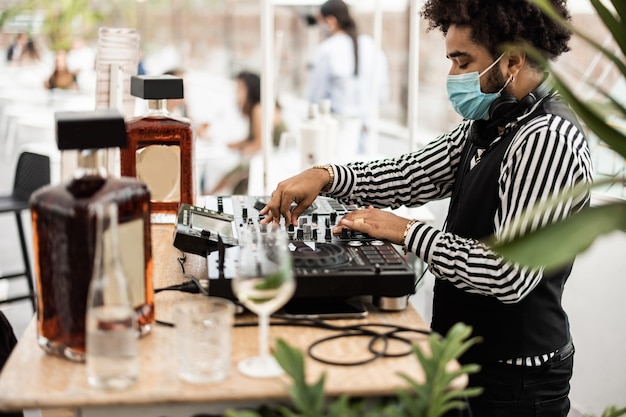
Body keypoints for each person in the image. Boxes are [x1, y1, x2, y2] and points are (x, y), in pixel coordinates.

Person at [262, 0, 592, 415]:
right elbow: (409, 173)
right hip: (465, 354)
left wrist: (406, 232)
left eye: (462, 61)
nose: (452, 75)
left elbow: (508, 273)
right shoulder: (489, 124)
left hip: (516, 380)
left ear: (512, 61)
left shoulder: (548, 138)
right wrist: (325, 175)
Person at [308, 0, 389, 155]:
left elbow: (316, 97)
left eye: (319, 22)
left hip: (337, 132)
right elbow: (382, 93)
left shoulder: (327, 50)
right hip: (367, 130)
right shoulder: (371, 45)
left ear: (330, 20)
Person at [209, 71, 286, 195]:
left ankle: (208, 195)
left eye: (240, 89)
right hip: (269, 155)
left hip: (276, 157)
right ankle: (210, 194)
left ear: (250, 89)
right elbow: (251, 137)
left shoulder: (258, 109)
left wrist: (241, 150)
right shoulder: (256, 108)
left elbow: (259, 143)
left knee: (235, 173)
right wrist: (230, 145)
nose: (237, 94)